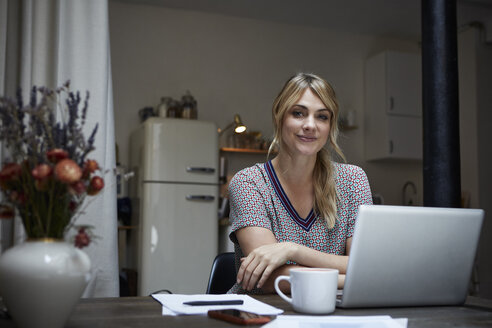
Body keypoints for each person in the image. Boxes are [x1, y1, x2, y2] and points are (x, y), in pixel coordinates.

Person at [227, 73, 373, 294]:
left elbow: (365, 264)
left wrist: (292, 251)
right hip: (260, 314)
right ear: (279, 117)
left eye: (322, 117)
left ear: (330, 126)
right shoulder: (249, 183)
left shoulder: (353, 180)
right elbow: (266, 279)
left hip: (334, 312)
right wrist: (354, 279)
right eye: (298, 113)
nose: (310, 125)